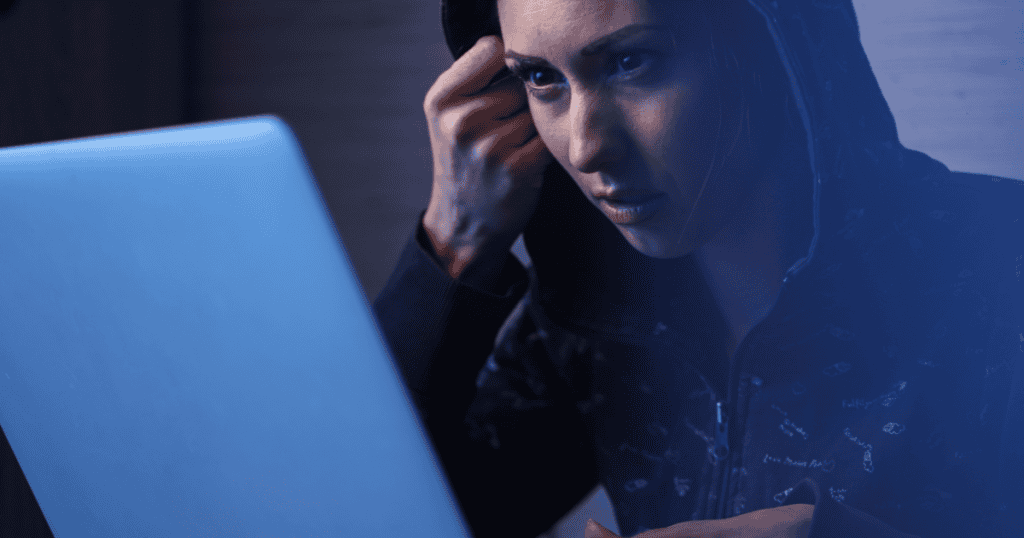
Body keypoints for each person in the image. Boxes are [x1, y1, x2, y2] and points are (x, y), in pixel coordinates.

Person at [372, 0, 1024, 536]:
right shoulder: (594, 311)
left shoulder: (1002, 269)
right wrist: (455, 248)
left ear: (774, 47)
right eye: (543, 79)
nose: (585, 144)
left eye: (632, 62)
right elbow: (382, 515)